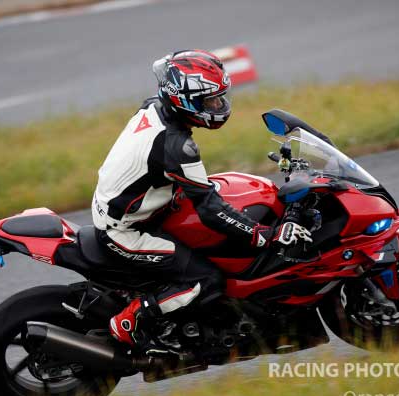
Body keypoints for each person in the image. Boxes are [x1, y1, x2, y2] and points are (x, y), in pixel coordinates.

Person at [91, 49, 312, 351]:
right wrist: (264, 236)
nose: (219, 105)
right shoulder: (176, 146)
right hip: (125, 231)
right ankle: (132, 318)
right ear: (185, 100)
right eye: (210, 101)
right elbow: (210, 210)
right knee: (205, 280)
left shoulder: (155, 106)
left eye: (219, 98)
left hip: (144, 205)